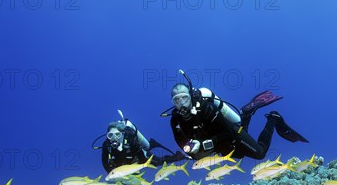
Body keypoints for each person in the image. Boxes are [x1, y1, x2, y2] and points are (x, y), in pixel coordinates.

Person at [165, 70, 308, 160]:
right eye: (177, 100)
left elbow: (228, 133)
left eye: (184, 98)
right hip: (217, 146)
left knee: (259, 154)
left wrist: (205, 144)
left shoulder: (207, 109)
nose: (181, 103)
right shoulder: (175, 121)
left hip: (231, 134)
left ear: (190, 96)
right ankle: (246, 113)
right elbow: (181, 142)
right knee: (239, 156)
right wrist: (192, 150)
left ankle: (272, 119)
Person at [100, 112, 187, 173]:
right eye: (110, 135)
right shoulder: (106, 145)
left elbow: (141, 157)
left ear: (122, 134)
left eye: (117, 135)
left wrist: (142, 166)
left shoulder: (130, 139)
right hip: (125, 163)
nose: (114, 138)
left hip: (137, 155)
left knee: (156, 162)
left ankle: (178, 156)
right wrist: (111, 174)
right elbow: (104, 162)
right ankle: (152, 144)